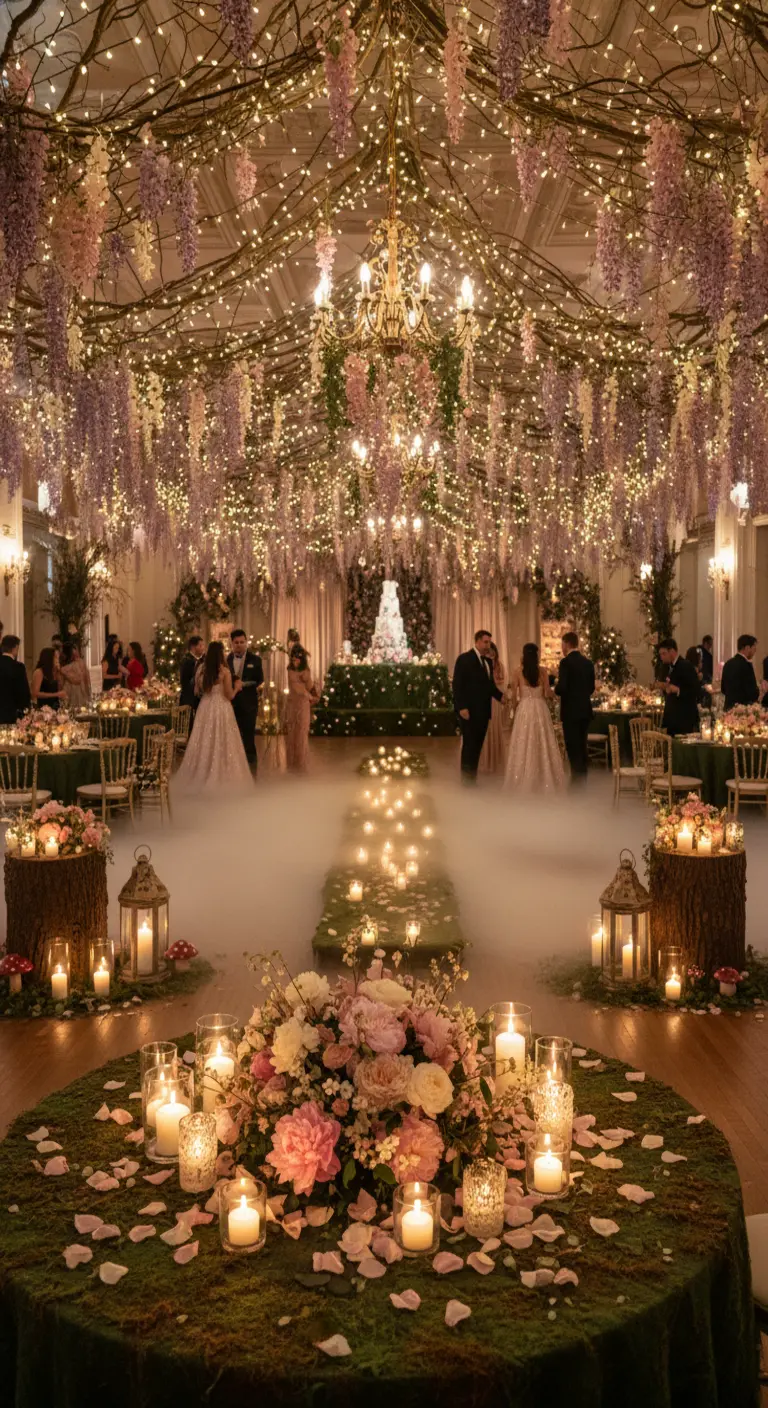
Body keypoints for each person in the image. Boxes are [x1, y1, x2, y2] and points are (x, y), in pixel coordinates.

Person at [173, 640, 252, 794]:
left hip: (205, 706)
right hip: (222, 707)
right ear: (221, 654)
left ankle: (201, 770)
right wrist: (237, 688)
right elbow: (228, 695)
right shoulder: (224, 672)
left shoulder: (202, 670)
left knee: (203, 740)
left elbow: (199, 690)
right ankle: (222, 772)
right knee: (223, 740)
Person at [505, 642, 566, 793]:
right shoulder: (543, 671)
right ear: (537, 655)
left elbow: (514, 697)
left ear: (524, 655)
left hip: (524, 710)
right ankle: (542, 777)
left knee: (524, 743)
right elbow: (547, 693)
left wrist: (512, 713)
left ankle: (523, 777)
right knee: (542, 742)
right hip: (540, 709)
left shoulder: (517, 672)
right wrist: (557, 697)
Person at [452, 629, 504, 782]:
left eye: (489, 642)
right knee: (469, 746)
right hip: (468, 712)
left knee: (477, 747)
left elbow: (489, 686)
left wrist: (502, 698)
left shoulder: (487, 662)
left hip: (483, 712)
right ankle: (466, 781)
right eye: (485, 642)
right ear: (477, 641)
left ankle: (471, 779)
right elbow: (457, 685)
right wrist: (462, 707)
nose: (488, 645)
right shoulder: (464, 658)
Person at [555, 631, 596, 780]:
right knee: (582, 746)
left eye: (562, 644)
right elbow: (591, 688)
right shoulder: (588, 663)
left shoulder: (565, 663)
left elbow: (563, 687)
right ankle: (583, 779)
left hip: (570, 712)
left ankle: (576, 783)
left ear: (566, 644)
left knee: (573, 748)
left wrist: (556, 687)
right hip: (585, 711)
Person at [227, 628, 264, 770]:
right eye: (236, 642)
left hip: (249, 703)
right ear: (232, 643)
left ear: (246, 642)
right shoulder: (227, 659)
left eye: (242, 642)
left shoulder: (255, 660)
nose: (239, 645)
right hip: (232, 702)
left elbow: (260, 680)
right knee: (233, 733)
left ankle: (251, 765)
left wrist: (244, 684)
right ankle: (234, 763)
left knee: (248, 733)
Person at [285, 644, 320, 772]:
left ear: (302, 659)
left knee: (302, 733)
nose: (294, 661)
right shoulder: (290, 671)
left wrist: (315, 694)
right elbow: (297, 688)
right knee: (292, 733)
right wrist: (309, 696)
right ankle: (292, 764)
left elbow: (309, 684)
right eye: (292, 659)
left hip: (304, 705)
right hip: (293, 704)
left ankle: (301, 764)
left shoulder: (306, 670)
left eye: (297, 659)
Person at [658, 638, 700, 735]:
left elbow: (696, 690)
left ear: (672, 651)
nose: (661, 657)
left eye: (664, 654)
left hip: (684, 718)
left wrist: (678, 690)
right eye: (660, 654)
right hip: (671, 717)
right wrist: (664, 687)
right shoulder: (667, 667)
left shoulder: (686, 666)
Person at [479, 642, 508, 774]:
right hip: (484, 699)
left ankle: (494, 761)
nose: (491, 655)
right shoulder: (481, 664)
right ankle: (483, 761)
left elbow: (501, 684)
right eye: (489, 652)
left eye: (493, 652)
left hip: (495, 701)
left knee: (494, 727)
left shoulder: (499, 666)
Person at [721, 634, 759, 712]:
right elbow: (752, 693)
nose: (755, 652)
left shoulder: (728, 663)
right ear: (747, 648)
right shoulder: (746, 665)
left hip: (728, 709)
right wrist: (759, 691)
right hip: (742, 712)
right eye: (754, 648)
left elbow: (723, 689)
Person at [0, 635, 30, 723]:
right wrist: (25, 711)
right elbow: (24, 693)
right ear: (15, 648)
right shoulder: (18, 667)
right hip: (11, 714)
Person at [60, 639, 91, 711]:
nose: (77, 652)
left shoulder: (79, 663)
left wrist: (88, 693)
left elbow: (84, 679)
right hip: (69, 693)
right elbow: (61, 683)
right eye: (74, 650)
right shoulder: (65, 667)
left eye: (76, 650)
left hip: (80, 693)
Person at [179, 635, 205, 711]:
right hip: (189, 699)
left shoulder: (201, 660)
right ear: (193, 647)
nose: (203, 648)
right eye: (200, 645)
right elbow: (185, 682)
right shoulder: (187, 661)